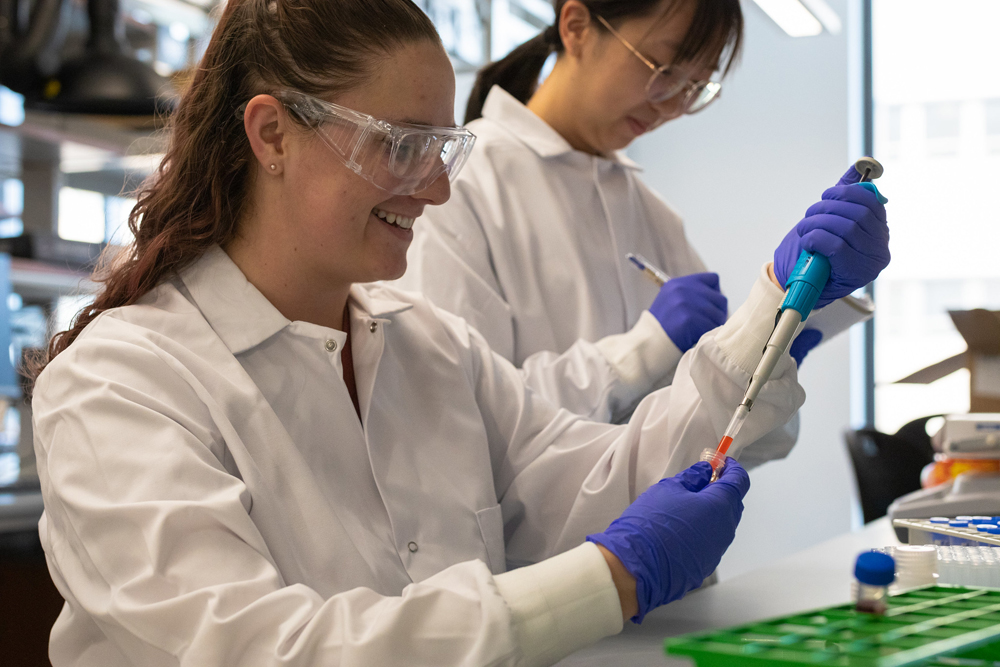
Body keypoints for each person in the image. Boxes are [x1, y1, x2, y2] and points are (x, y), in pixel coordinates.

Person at [30, 0, 885, 665]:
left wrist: (777, 310)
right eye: (402, 146)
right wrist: (610, 577)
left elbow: (598, 479)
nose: (435, 193)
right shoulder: (120, 387)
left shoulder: (427, 347)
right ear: (271, 133)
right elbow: (265, 648)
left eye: (441, 151)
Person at [398, 0, 864, 434]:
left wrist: (763, 367)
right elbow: (460, 408)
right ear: (577, 27)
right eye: (664, 71)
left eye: (695, 88)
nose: (671, 106)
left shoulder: (654, 215)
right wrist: (642, 352)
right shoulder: (460, 186)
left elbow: (705, 431)